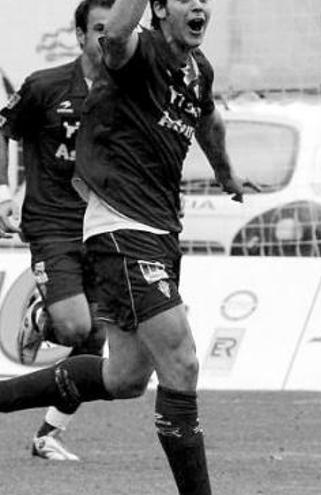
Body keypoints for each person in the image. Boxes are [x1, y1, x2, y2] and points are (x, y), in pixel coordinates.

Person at [0, 0, 253, 493]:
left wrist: (225, 173)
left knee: (124, 378)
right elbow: (114, 39)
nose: (199, 4)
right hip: (121, 227)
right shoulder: (138, 51)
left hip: (158, 232)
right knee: (181, 360)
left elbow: (208, 123)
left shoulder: (198, 69)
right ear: (158, 10)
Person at [0, 0, 116, 461]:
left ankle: (47, 434)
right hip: (52, 222)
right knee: (73, 327)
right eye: (101, 29)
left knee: (94, 343)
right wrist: (4, 193)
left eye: (118, 30)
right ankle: (42, 317)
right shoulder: (45, 86)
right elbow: (4, 130)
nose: (110, 39)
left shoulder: (127, 91)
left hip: (105, 223)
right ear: (81, 35)